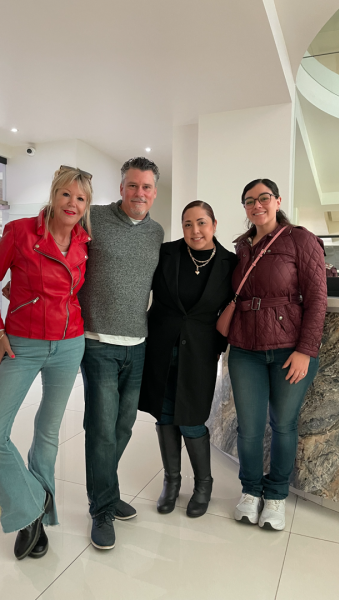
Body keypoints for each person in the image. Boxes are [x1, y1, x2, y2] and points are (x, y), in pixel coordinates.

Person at [0, 166, 92, 560]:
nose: (72, 203)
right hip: (21, 345)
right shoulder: (21, 232)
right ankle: (34, 502)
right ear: (54, 195)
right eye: (66, 194)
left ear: (86, 205)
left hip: (70, 344)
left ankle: (32, 521)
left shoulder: (84, 243)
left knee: (48, 432)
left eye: (80, 198)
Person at [227, 179, 327, 531]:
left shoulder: (300, 239)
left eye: (264, 198)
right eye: (249, 200)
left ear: (278, 201)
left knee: (283, 424)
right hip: (244, 350)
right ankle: (250, 490)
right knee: (249, 427)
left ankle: (276, 495)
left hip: (289, 349)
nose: (257, 205)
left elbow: (317, 299)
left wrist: (305, 350)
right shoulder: (241, 246)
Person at [79, 157, 164, 550]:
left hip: (138, 343)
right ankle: (101, 509)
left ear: (154, 193)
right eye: (133, 185)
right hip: (97, 342)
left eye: (146, 187)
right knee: (100, 428)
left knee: (123, 427)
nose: (139, 193)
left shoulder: (156, 232)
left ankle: (106, 491)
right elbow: (54, 235)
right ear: (121, 188)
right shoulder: (92, 217)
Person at [138, 201, 237, 518]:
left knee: (192, 420)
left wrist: (219, 345)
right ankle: (171, 481)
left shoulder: (230, 263)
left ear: (214, 224)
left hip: (199, 353)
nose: (195, 230)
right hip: (161, 349)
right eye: (188, 224)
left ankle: (203, 485)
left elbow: (235, 308)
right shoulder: (166, 253)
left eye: (202, 222)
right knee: (165, 416)